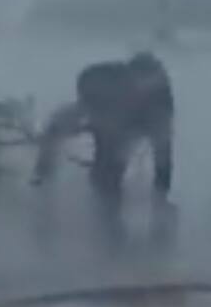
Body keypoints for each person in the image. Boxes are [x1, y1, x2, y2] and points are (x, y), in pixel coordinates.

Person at [32, 52, 176, 199]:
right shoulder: (105, 75)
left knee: (109, 175)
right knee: (56, 127)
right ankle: (42, 178)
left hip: (129, 127)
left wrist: (161, 194)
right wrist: (95, 111)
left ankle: (108, 208)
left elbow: (163, 151)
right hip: (99, 110)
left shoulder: (160, 103)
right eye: (135, 79)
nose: (139, 86)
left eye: (146, 82)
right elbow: (86, 82)